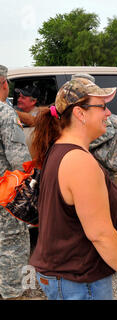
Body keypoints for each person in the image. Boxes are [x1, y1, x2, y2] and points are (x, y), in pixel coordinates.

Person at [29, 77, 117, 300]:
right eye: (102, 106)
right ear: (80, 114)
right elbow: (101, 234)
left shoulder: (59, 150)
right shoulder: (79, 161)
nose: (108, 114)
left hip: (65, 275)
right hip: (77, 280)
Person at [0, 65, 32, 300]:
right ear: (4, 84)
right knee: (12, 250)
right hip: (4, 200)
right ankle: (12, 294)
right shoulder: (5, 113)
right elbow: (21, 163)